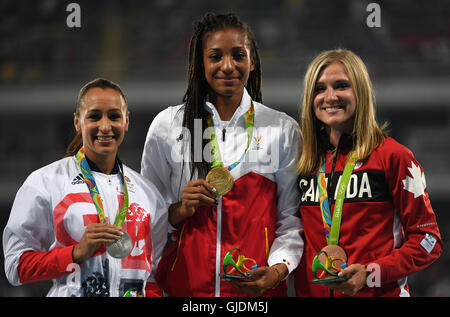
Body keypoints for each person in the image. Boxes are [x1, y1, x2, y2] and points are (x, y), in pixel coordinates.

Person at [141, 12, 303, 297]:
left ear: (252, 61)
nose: (227, 66)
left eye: (238, 55)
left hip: (256, 296)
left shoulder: (282, 129)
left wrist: (278, 270)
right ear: (200, 63)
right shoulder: (168, 126)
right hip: (187, 294)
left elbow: (291, 220)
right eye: (215, 56)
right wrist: (180, 210)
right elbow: (145, 221)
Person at [294, 49, 443, 297]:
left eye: (341, 86)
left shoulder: (394, 157)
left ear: (360, 92)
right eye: (320, 89)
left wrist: (372, 273)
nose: (329, 97)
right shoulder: (303, 163)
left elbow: (429, 240)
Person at [3, 78, 168, 297]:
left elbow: (151, 277)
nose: (105, 126)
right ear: (77, 122)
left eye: (114, 116)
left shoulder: (147, 193)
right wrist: (75, 252)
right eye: (94, 116)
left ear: (126, 121)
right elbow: (16, 267)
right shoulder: (45, 182)